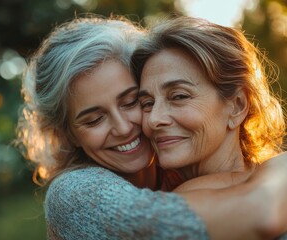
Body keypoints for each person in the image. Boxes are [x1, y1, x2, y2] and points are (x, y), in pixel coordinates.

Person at [16, 15, 287, 239]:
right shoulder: (75, 193)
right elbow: (260, 213)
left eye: (133, 101)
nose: (124, 127)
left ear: (237, 105)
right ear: (67, 134)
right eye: (94, 119)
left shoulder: (181, 171)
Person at [133, 16, 286, 191]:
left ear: (237, 105)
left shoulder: (181, 202)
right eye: (147, 103)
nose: (154, 119)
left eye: (179, 96)